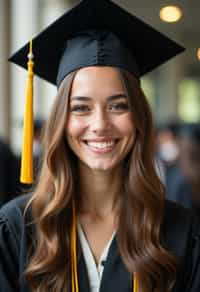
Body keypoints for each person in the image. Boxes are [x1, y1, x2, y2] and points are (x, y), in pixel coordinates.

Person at [0, 1, 200, 292]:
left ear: (139, 118)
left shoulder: (181, 232)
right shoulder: (17, 230)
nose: (100, 124)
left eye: (118, 106)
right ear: (61, 121)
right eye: (81, 108)